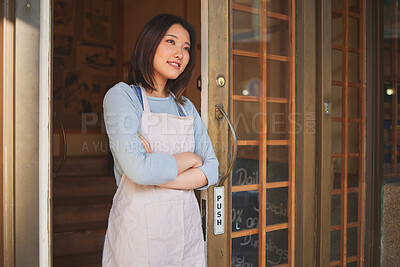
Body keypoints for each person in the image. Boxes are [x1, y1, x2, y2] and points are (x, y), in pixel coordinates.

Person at [102, 14, 219, 266]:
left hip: (184, 232)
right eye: (171, 42)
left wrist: (154, 173)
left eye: (186, 48)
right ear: (149, 43)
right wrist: (189, 159)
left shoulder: (186, 107)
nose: (180, 53)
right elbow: (138, 170)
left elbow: (211, 170)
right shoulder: (123, 97)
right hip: (139, 235)